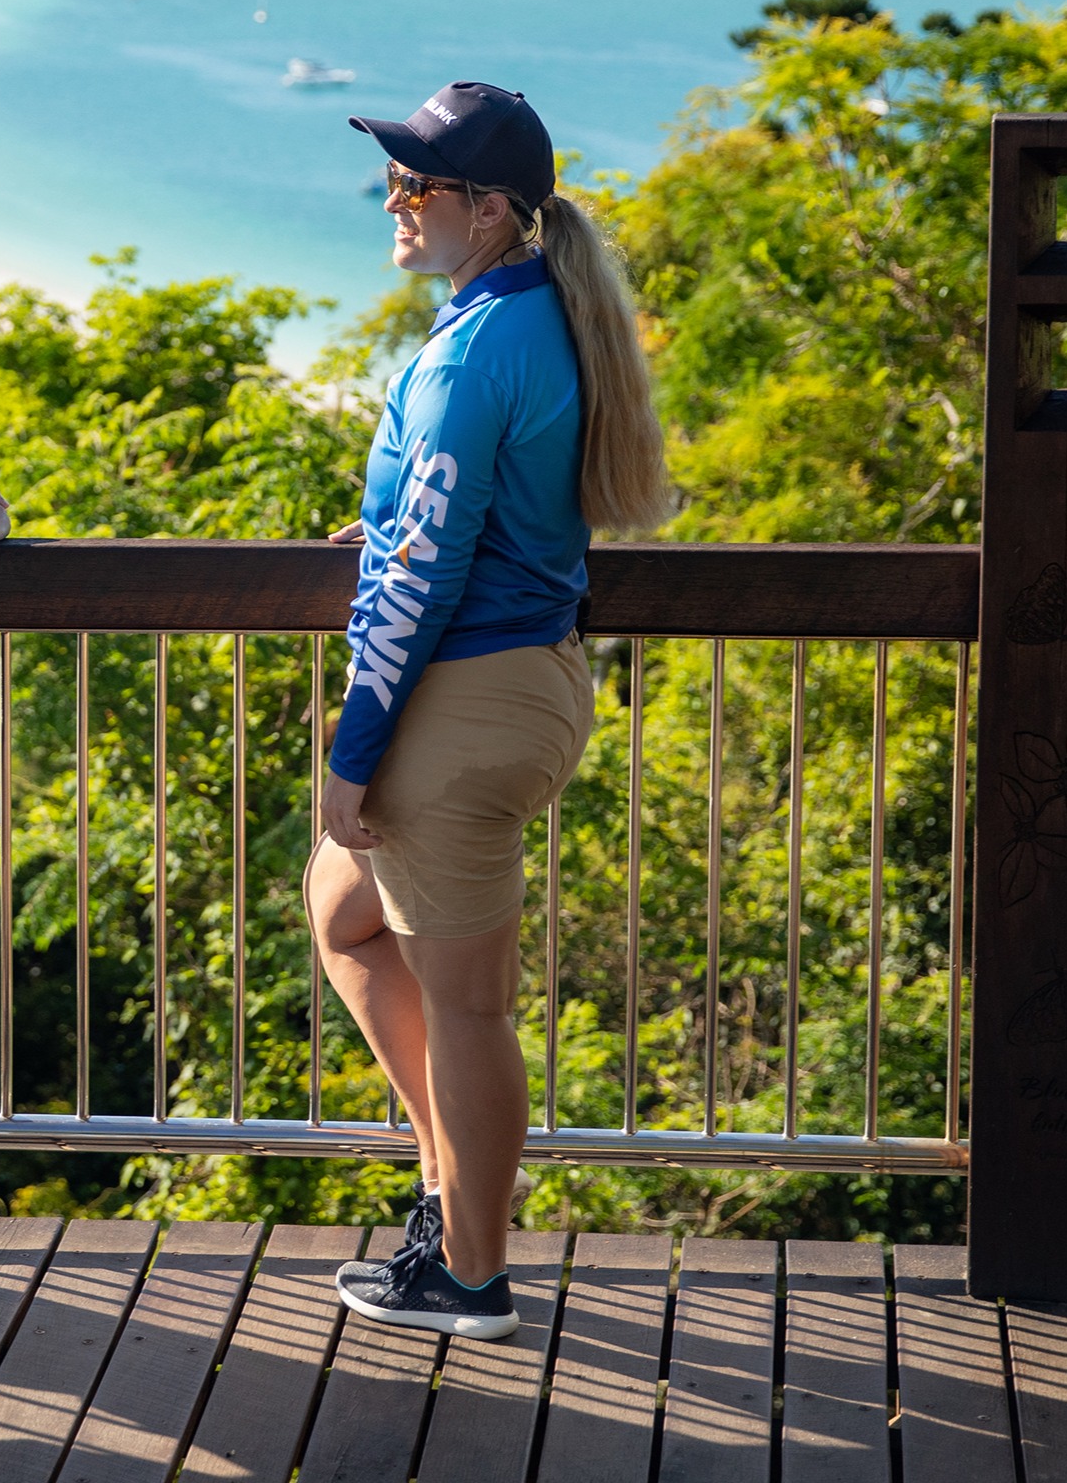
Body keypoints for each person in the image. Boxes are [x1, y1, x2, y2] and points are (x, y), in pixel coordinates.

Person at [308, 82, 673, 1342]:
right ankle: (446, 1183)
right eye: (397, 179)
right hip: (529, 675)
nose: (396, 200)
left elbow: (427, 567)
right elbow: (466, 507)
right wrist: (406, 512)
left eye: (421, 185)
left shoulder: (473, 347)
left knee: (467, 1004)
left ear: (495, 210)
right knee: (344, 911)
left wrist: (355, 749)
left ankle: (470, 1270)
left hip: (465, 697)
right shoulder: (534, 316)